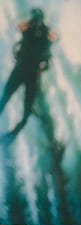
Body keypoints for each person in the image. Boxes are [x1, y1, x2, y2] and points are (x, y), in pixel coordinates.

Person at [0, 8, 58, 142]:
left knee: (26, 107)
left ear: (41, 20)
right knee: (6, 97)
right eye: (34, 19)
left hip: (29, 73)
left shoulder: (45, 33)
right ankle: (12, 134)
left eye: (37, 19)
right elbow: (18, 26)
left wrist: (45, 29)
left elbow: (56, 38)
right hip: (23, 70)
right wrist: (32, 22)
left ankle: (12, 135)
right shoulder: (28, 29)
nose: (35, 21)